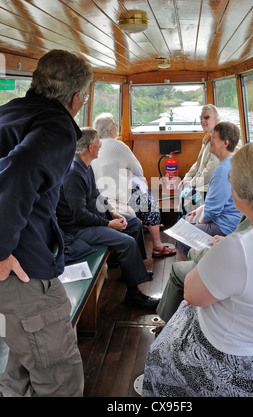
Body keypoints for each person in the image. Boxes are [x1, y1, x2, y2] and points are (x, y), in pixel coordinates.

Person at [143, 133, 253, 397]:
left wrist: (220, 252)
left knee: (161, 350)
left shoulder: (239, 248)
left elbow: (192, 293)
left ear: (247, 191)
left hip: (240, 373)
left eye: (232, 179)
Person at [0, 49, 93, 397]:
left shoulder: (9, 113)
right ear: (76, 97)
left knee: (20, 362)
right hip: (21, 267)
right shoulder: (55, 127)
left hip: (15, 263)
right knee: (59, 375)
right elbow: (21, 169)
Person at [56, 127, 159, 310]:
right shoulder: (73, 173)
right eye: (98, 143)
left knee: (133, 223)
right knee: (126, 242)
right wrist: (108, 224)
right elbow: (79, 214)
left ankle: (135, 270)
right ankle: (134, 296)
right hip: (78, 230)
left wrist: (112, 212)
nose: (100, 145)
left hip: (92, 219)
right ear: (90, 147)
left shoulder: (85, 166)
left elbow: (96, 194)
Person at [91, 113, 176, 258]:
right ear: (110, 130)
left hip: (96, 194)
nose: (117, 127)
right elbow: (137, 169)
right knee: (148, 199)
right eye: (115, 125)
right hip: (115, 193)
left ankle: (147, 224)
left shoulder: (92, 146)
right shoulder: (118, 145)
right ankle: (157, 245)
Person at [157, 215, 251, 324]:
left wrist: (201, 253)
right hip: (239, 264)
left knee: (177, 270)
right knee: (193, 252)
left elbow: (211, 212)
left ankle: (167, 324)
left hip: (236, 271)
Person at [176, 121, 242, 256]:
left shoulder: (222, 171)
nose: (210, 139)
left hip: (225, 227)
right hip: (232, 220)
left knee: (181, 236)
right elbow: (221, 199)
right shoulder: (234, 161)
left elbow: (213, 210)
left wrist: (198, 224)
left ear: (225, 143)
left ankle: (201, 263)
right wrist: (202, 208)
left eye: (214, 137)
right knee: (190, 220)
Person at [177, 104, 220, 217]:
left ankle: (190, 226)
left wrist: (191, 183)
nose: (202, 120)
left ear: (216, 119)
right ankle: (184, 225)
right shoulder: (207, 138)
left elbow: (209, 172)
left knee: (186, 194)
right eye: (201, 118)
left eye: (206, 117)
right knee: (182, 189)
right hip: (200, 182)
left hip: (208, 187)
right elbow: (198, 164)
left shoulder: (217, 141)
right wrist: (187, 178)